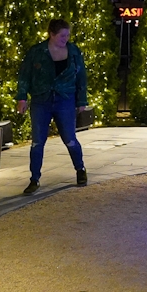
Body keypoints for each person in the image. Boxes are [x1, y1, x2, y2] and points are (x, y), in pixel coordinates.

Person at [16, 18, 88, 194]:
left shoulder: (73, 52)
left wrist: (81, 101)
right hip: (42, 99)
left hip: (65, 98)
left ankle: (80, 169)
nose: (66, 39)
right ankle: (34, 179)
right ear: (52, 34)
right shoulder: (37, 52)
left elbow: (81, 77)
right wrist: (22, 98)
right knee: (37, 142)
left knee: (70, 138)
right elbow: (25, 75)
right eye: (62, 36)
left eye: (67, 35)